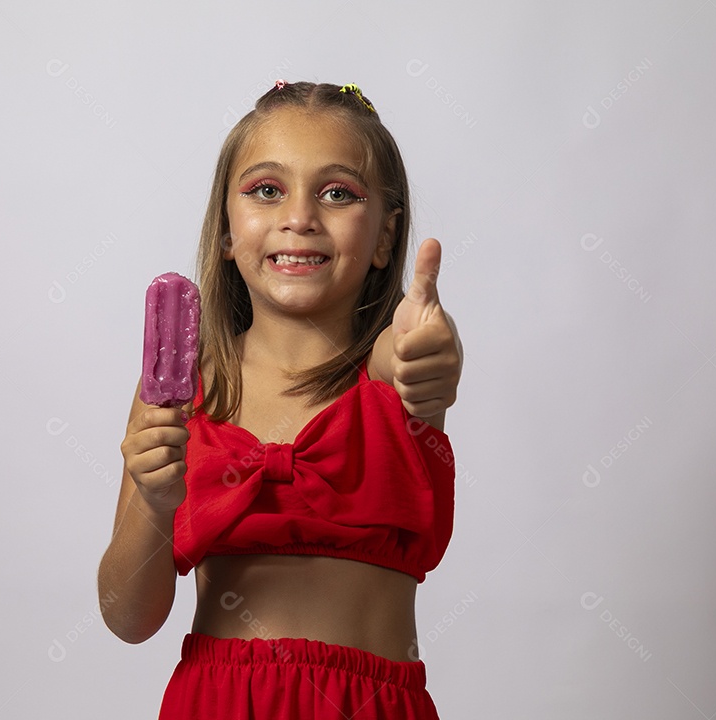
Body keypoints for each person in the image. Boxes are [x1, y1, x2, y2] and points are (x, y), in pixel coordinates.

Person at [98, 80, 463, 719]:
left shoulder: (389, 375)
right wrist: (154, 503)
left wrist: (426, 353)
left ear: (383, 237)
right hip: (214, 702)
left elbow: (410, 360)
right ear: (226, 231)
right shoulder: (185, 389)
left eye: (338, 193)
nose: (300, 216)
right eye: (267, 190)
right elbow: (128, 617)